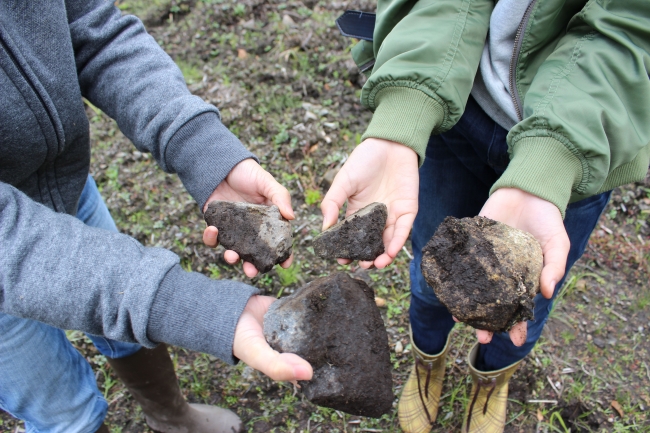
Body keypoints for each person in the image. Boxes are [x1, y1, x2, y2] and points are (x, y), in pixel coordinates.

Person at [325, 2, 650, 432]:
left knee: (528, 300)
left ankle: (490, 381)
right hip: (456, 105)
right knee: (430, 276)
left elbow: (633, 26)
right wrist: (405, 110)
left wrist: (553, 158)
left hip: (585, 144)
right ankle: (427, 365)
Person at [0, 1, 312, 432]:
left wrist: (201, 149)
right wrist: (180, 304)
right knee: (65, 410)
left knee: (122, 324)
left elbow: (93, 30)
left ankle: (170, 415)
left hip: (63, 186)